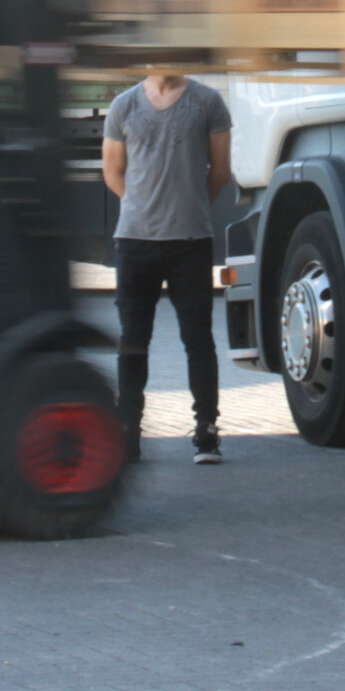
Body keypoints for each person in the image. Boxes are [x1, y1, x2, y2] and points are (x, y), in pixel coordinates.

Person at [102, 69, 235, 462]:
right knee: (132, 341)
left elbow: (221, 171)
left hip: (189, 243)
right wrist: (141, 207)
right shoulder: (123, 105)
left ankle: (206, 430)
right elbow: (112, 171)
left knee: (197, 339)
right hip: (134, 243)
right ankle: (128, 431)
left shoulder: (207, 102)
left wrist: (188, 209)